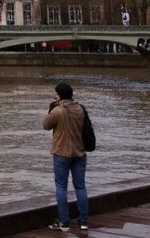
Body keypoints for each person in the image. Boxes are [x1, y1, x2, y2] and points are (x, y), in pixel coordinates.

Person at [42, 83, 89, 232]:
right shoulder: (80, 108)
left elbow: (46, 125)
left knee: (61, 187)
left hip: (62, 152)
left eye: (56, 94)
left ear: (60, 95)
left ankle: (64, 222)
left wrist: (51, 108)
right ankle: (84, 222)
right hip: (80, 152)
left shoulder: (58, 111)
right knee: (80, 186)